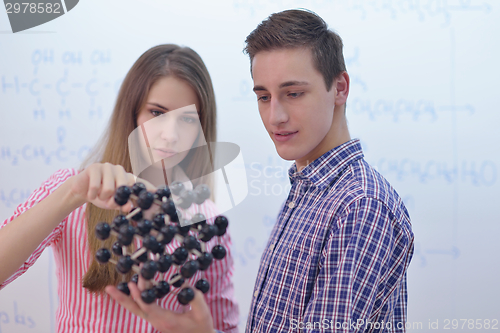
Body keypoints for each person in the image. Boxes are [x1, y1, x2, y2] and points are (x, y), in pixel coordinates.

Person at [106, 9, 415, 333]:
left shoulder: (359, 206)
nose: (275, 116)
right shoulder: (311, 191)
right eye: (264, 97)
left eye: (293, 93)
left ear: (339, 88)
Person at [0, 44, 239, 333]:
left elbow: (222, 326)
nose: (170, 134)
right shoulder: (75, 191)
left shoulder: (207, 221)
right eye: (156, 112)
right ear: (132, 113)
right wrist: (71, 195)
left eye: (188, 119)